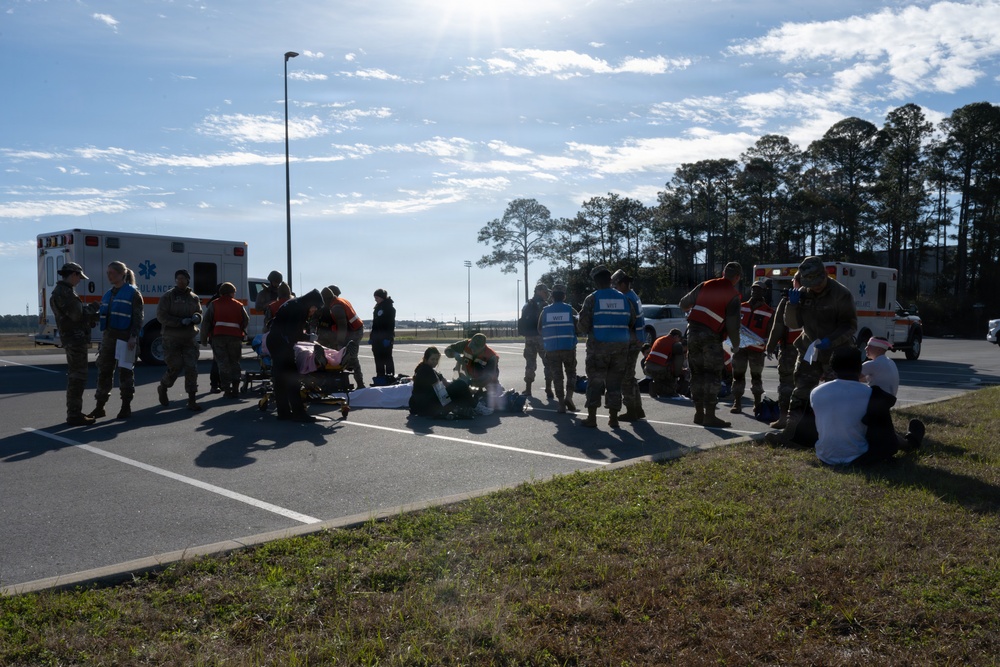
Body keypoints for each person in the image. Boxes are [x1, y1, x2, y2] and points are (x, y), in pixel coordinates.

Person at [765, 256, 857, 446]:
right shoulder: (803, 292)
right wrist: (792, 305)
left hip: (836, 352)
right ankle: (790, 434)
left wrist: (830, 340)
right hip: (809, 351)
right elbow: (793, 324)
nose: (814, 287)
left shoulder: (841, 294)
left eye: (816, 282)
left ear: (824, 275)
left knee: (837, 396)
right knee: (800, 392)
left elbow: (849, 326)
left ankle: (836, 436)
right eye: (809, 283)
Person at [810, 347, 924, 466]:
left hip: (825, 456)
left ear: (833, 369)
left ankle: (908, 442)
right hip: (859, 457)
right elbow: (884, 431)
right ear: (860, 368)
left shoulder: (816, 392)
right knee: (878, 424)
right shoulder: (872, 394)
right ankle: (909, 443)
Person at [679, 261, 743, 428]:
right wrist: (736, 345)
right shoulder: (733, 295)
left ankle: (698, 413)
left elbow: (683, 304)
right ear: (737, 277)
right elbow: (733, 325)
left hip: (692, 333)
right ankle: (710, 416)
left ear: (723, 272)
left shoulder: (705, 285)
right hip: (711, 338)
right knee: (712, 375)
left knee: (697, 373)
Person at [577, 265, 635, 428]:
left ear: (595, 282)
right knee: (614, 383)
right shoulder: (624, 298)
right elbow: (632, 320)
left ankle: (592, 418)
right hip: (621, 349)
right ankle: (613, 418)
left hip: (598, 349)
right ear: (610, 280)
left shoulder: (592, 298)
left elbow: (582, 325)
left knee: (595, 382)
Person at [88, 261, 144, 420]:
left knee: (126, 372)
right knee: (104, 372)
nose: (108, 275)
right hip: (109, 338)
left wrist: (133, 336)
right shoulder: (108, 294)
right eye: (108, 273)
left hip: (126, 337)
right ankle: (100, 407)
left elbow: (138, 317)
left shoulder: (133, 293)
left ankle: (126, 406)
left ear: (121, 274)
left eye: (111, 273)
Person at [50, 261, 98, 425]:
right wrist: (93, 309)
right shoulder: (65, 293)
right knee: (78, 377)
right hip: (75, 339)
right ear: (73, 274)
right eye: (79, 277)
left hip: (72, 337)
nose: (79, 281)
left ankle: (74, 413)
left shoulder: (61, 291)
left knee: (75, 376)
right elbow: (77, 316)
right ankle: (74, 414)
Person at [266, 288, 325, 421]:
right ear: (311, 303)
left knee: (280, 379)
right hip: (281, 343)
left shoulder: (294, 303)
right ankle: (299, 413)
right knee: (292, 378)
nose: (314, 310)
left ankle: (284, 413)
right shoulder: (298, 309)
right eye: (315, 307)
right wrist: (308, 337)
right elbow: (293, 333)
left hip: (275, 341)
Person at [156, 269, 204, 411]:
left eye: (183, 278)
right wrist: (179, 321)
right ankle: (163, 387)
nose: (180, 280)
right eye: (178, 278)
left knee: (191, 367)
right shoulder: (168, 296)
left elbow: (199, 312)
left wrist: (197, 317)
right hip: (171, 338)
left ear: (188, 280)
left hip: (189, 337)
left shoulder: (194, 297)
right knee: (175, 366)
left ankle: (192, 399)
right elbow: (161, 316)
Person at [764, 273, 803, 429]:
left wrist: (771, 345)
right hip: (809, 350)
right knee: (805, 385)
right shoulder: (816, 300)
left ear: (796, 282)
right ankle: (801, 420)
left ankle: (783, 419)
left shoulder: (787, 299)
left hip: (790, 350)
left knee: (786, 384)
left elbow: (778, 325)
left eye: (793, 280)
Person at [730, 279, 774, 414]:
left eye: (759, 289)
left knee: (756, 377)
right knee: (738, 375)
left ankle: (757, 404)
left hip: (757, 350)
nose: (756, 291)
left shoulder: (769, 311)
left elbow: (771, 330)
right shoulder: (741, 306)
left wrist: (768, 343)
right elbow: (733, 324)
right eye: (754, 289)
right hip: (740, 348)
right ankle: (737, 403)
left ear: (764, 292)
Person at [200, 281, 249, 399]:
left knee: (222, 364)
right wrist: (239, 329)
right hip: (235, 338)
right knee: (235, 363)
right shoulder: (239, 305)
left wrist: (204, 339)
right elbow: (246, 320)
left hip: (218, 338)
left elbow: (206, 322)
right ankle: (236, 389)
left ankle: (227, 390)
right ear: (232, 293)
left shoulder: (214, 304)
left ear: (221, 292)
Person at [538, 283, 579, 413]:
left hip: (551, 349)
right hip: (568, 347)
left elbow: (539, 329)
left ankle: (561, 403)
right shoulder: (570, 310)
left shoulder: (545, 311)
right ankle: (569, 397)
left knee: (557, 376)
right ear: (564, 296)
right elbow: (579, 325)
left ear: (552, 296)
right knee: (571, 373)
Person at [612, 269, 646, 421]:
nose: (615, 288)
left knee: (625, 376)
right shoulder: (632, 296)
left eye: (617, 285)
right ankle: (637, 408)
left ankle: (631, 410)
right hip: (636, 339)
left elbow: (629, 321)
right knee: (630, 376)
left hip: (631, 341)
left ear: (624, 284)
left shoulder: (627, 298)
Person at [408, 346, 476, 418]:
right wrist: (451, 407)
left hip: (425, 404)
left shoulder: (428, 369)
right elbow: (441, 393)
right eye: (432, 359)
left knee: (459, 386)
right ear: (426, 359)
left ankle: (470, 405)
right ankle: (475, 406)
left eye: (437, 359)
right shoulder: (426, 371)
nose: (435, 362)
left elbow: (446, 384)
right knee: (460, 384)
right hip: (427, 407)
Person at [322, 285, 366, 389]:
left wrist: (340, 342)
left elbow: (342, 326)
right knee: (344, 355)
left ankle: (360, 384)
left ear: (326, 299)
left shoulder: (336, 307)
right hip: (352, 330)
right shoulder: (339, 301)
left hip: (355, 331)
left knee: (351, 356)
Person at [443, 333, 501, 404]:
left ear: (482, 347)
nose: (471, 349)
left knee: (495, 399)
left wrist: (471, 382)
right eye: (471, 346)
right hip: (468, 374)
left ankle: (495, 390)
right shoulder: (466, 344)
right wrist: (454, 354)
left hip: (485, 379)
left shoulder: (492, 357)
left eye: (474, 348)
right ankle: (463, 385)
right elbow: (448, 349)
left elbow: (487, 378)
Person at [519, 283, 552, 398]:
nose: (546, 294)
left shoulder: (527, 305)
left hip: (529, 338)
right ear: (538, 291)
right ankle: (548, 389)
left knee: (530, 363)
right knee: (548, 363)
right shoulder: (545, 305)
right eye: (544, 292)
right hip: (542, 338)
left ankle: (528, 389)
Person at [643, 328, 686, 398]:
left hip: (647, 367)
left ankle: (655, 385)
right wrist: (678, 373)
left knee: (662, 375)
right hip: (659, 370)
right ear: (676, 336)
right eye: (680, 339)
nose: (680, 341)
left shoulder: (659, 339)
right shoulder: (675, 345)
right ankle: (663, 389)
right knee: (671, 376)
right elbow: (678, 362)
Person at [370, 288, 396, 382]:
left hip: (386, 337)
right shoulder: (377, 308)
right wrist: (371, 337)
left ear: (382, 297)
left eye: (377, 297)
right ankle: (380, 375)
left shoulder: (390, 308)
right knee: (378, 357)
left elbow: (391, 325)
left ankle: (390, 376)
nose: (375, 299)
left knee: (387, 357)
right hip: (376, 338)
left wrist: (388, 338)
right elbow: (374, 324)